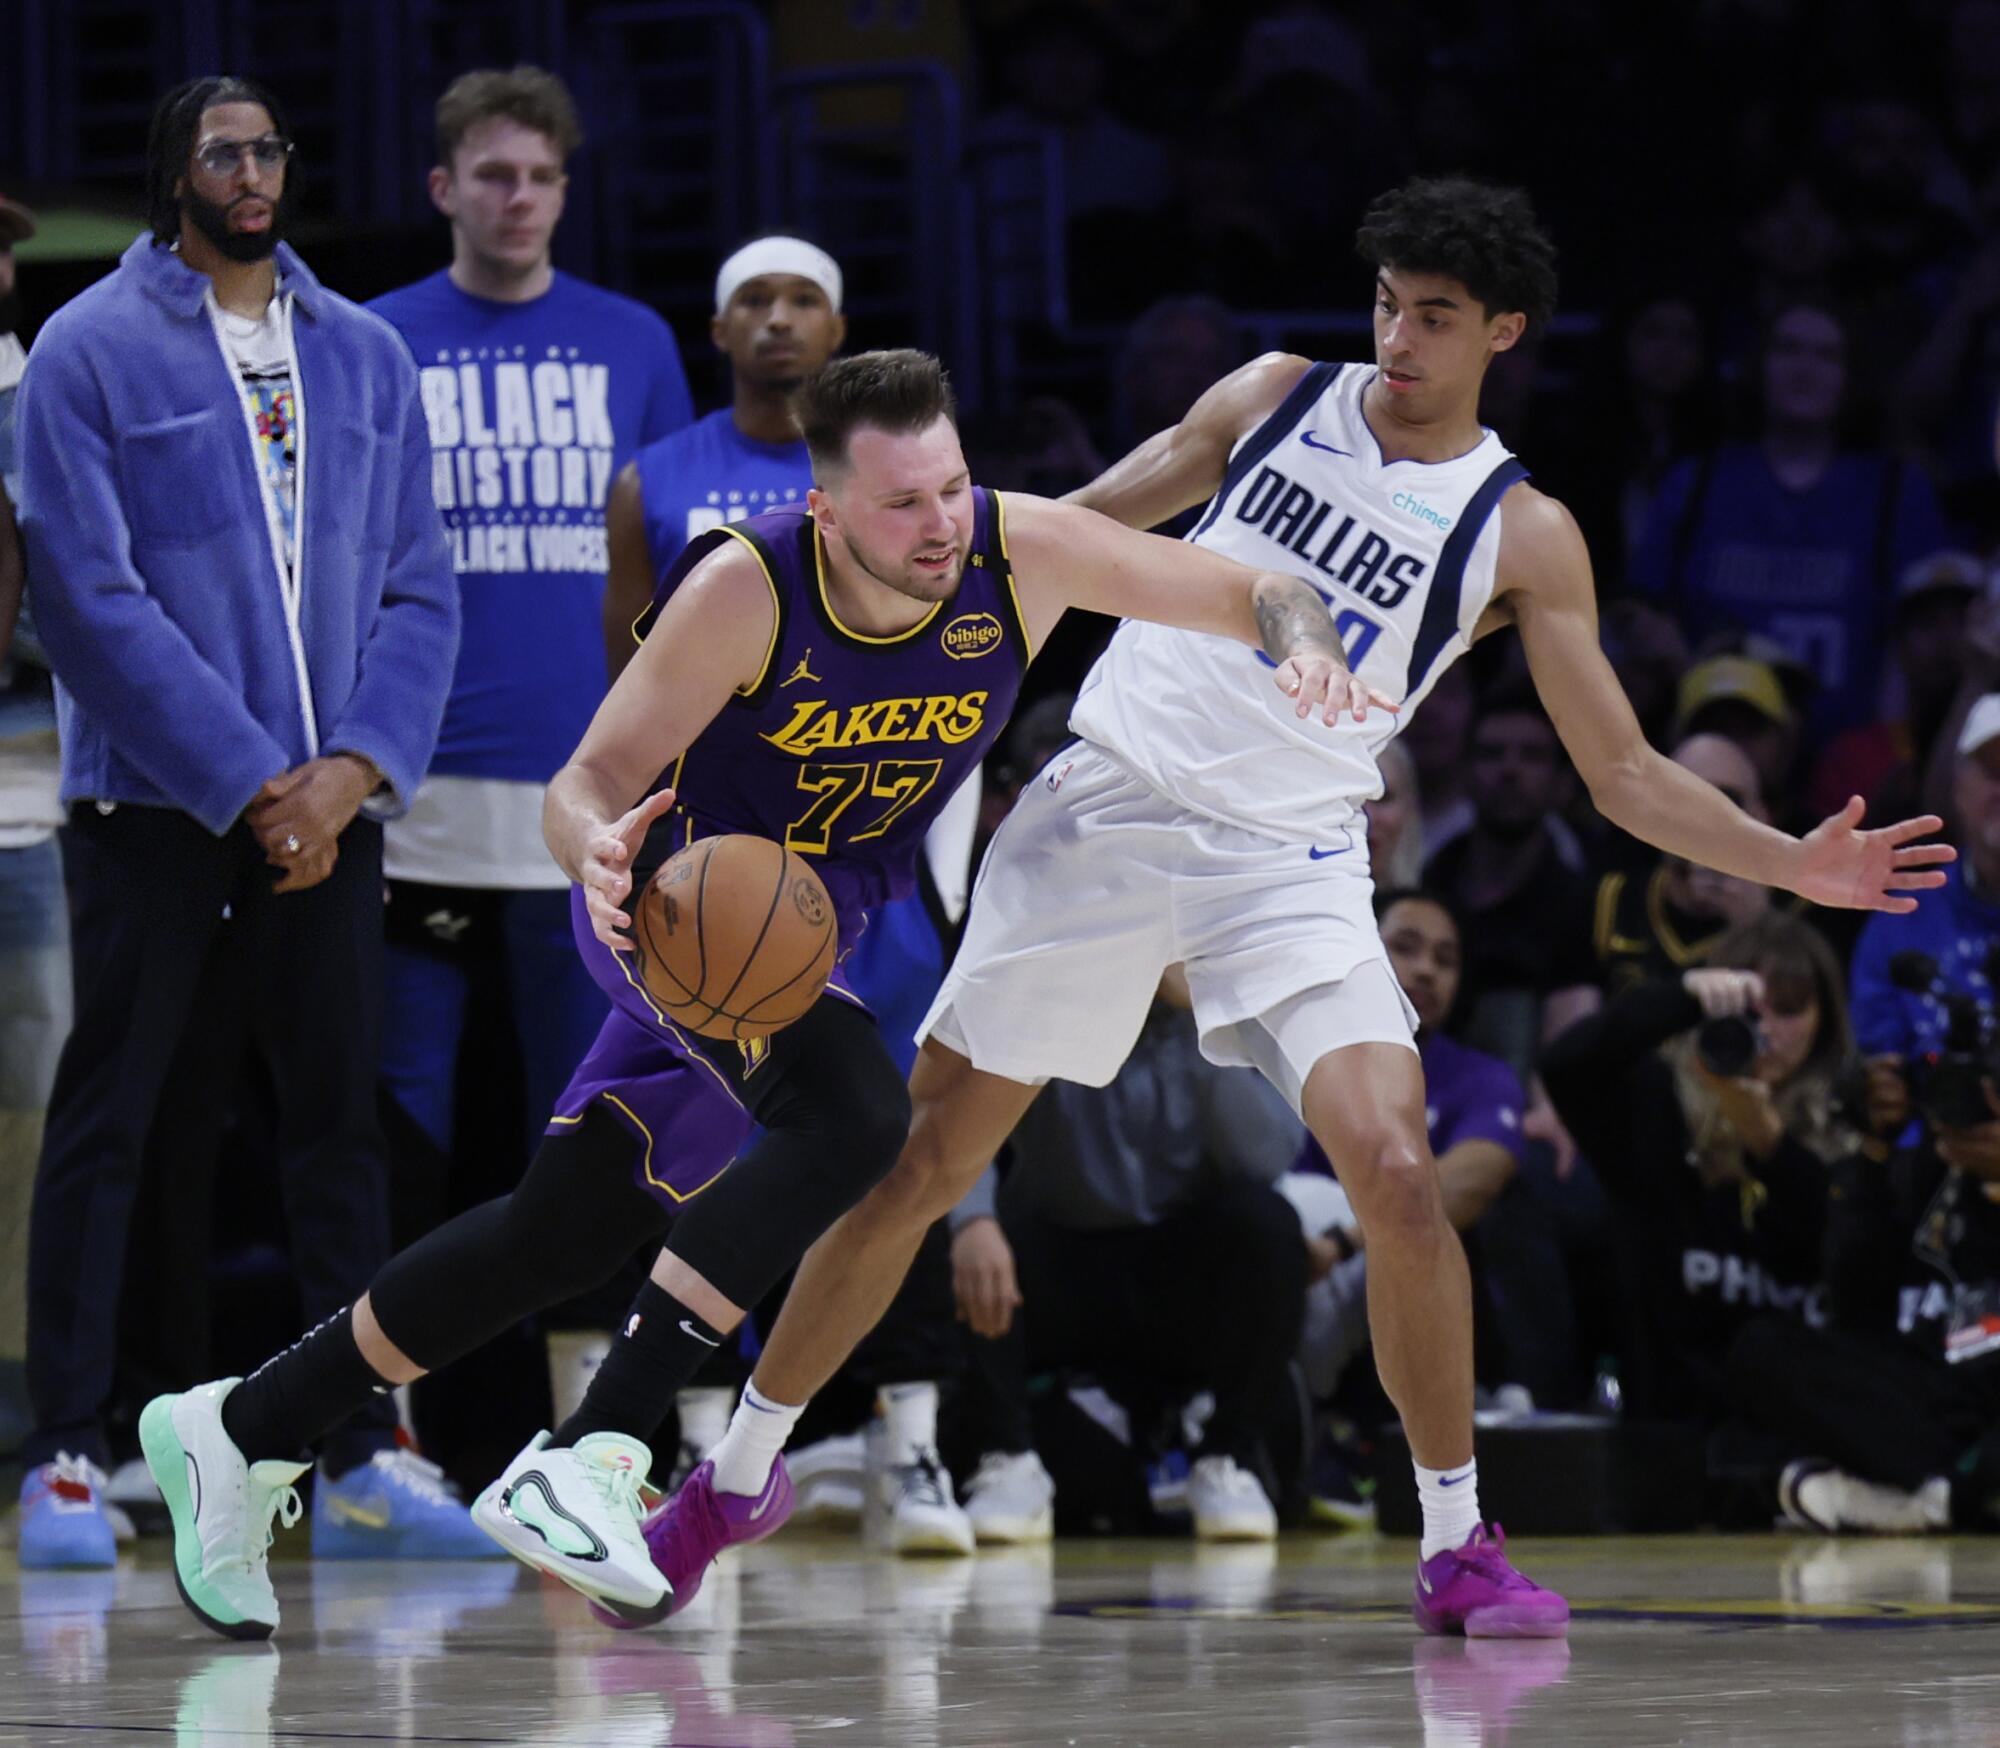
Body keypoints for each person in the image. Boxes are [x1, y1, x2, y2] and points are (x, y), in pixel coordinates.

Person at [677, 176, 1955, 1644]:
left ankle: (1460, 1540)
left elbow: (1617, 767)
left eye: (1437, 317)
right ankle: (735, 1481)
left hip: (1289, 862)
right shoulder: (1279, 393)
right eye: (1387, 302)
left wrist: (1792, 862)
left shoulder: (1521, 529)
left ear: (1506, 332)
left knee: (1399, 1172)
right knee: (917, 1166)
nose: (1398, 338)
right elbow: (1067, 537)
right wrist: (883, 631)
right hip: (1108, 807)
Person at [138, 347, 1372, 1641]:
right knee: (852, 1118)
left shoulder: (1023, 553)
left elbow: (1267, 590)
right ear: (829, 509)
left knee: (558, 1231)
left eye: (950, 487)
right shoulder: (746, 585)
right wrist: (593, 855)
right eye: (902, 505)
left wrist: (1309, 654)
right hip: (680, 900)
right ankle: (596, 1451)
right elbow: (589, 780)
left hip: (807, 931)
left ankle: (238, 1425)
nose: (940, 525)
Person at [11, 76, 461, 1569]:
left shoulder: (370, 355)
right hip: (150, 802)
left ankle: (360, 1452)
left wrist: (347, 777)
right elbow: (85, 596)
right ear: (175, 172)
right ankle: (70, 1451)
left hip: (333, 811)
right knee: (117, 1127)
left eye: (271, 147)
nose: (253, 170)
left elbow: (418, 587)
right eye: (225, 150)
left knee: (338, 1132)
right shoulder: (86, 349)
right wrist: (253, 781)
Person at [365, 66, 692, 1454]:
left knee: (598, 1147)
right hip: (410, 795)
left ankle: (584, 1448)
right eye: (491, 175)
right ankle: (389, 1451)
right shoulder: (376, 341)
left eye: (540, 178)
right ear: (443, 188)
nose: (517, 199)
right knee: (399, 1138)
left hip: (590, 814)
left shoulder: (633, 342)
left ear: (567, 191)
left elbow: (688, 584)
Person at [947, 971, 1309, 1545]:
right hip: (1060, 1262)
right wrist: (973, 1222)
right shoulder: (1044, 1001)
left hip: (1176, 1275)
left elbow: (1261, 1157)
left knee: (1267, 1224)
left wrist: (1201, 1019)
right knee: (966, 1228)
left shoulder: (1220, 1009)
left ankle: (1229, 1459)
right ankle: (1008, 1458)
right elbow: (957, 1127)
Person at [1541, 916, 1858, 1422]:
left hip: (1807, 1427)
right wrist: (1682, 994)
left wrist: (1771, 1146)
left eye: (1790, 1008)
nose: (1767, 1030)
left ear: (1825, 1021)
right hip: (1669, 1419)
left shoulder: (1853, 1122)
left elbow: (1852, 1258)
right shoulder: (1655, 1103)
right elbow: (1566, 1066)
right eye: (1748, 1012)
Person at [1630, 299, 1951, 745]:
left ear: (1851, 374)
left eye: (1826, 355)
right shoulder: (1698, 481)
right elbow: (1640, 609)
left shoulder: (1895, 490)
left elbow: (1918, 637)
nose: (1805, 368)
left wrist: (1884, 749)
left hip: (1848, 750)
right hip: (1712, 739)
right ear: (1759, 365)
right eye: (1788, 349)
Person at [604, 235, 845, 664]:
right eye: (754, 301)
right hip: (700, 729)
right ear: (719, 329)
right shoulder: (646, 480)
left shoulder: (882, 473)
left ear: (836, 329)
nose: (779, 320)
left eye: (805, 301)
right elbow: (627, 665)